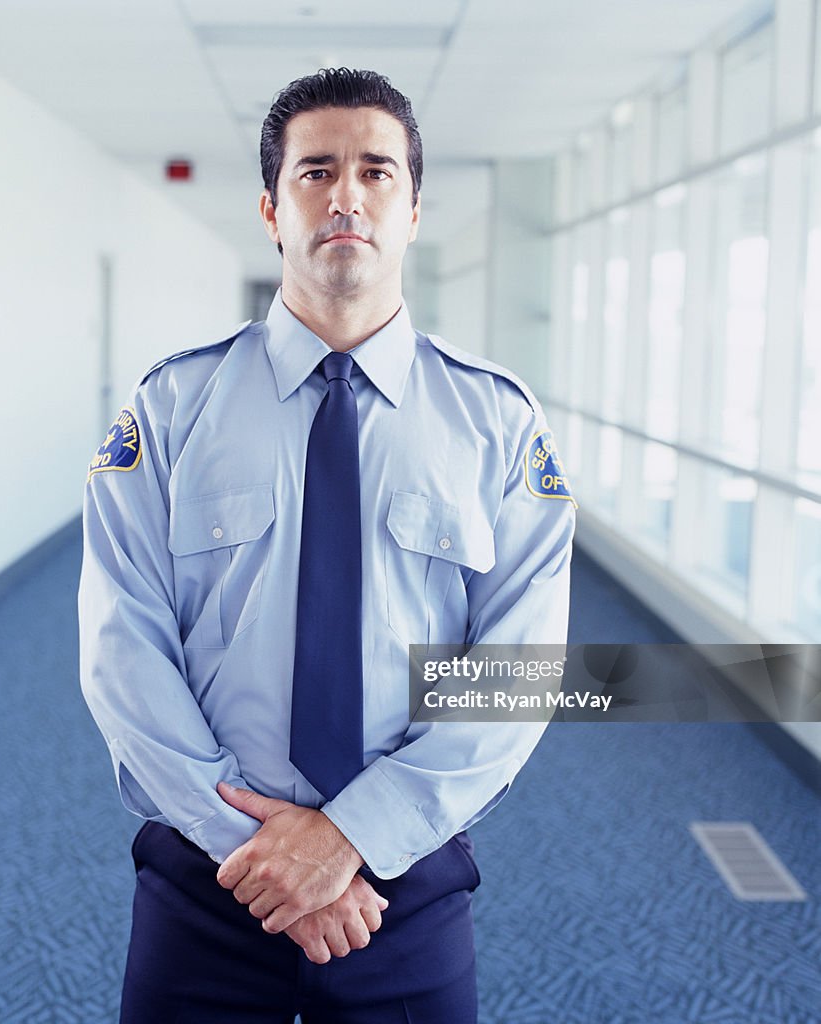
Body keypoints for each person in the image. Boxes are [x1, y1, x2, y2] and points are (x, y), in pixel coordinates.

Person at [79, 67, 575, 1024]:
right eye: (316, 170)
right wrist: (263, 851)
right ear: (272, 207)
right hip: (209, 875)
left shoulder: (497, 423)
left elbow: (518, 669)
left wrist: (353, 838)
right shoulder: (171, 409)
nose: (347, 193)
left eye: (377, 171)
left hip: (405, 882)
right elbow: (121, 647)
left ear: (415, 209)